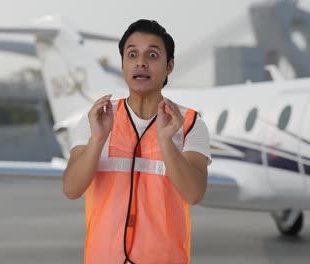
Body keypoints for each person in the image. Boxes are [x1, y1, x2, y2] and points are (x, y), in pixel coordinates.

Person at [63, 19, 211, 264]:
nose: (141, 62)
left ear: (169, 66)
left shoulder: (189, 124)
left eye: (152, 55)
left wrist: (165, 141)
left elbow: (194, 194)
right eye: (132, 54)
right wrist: (98, 138)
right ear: (123, 64)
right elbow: (71, 189)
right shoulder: (96, 119)